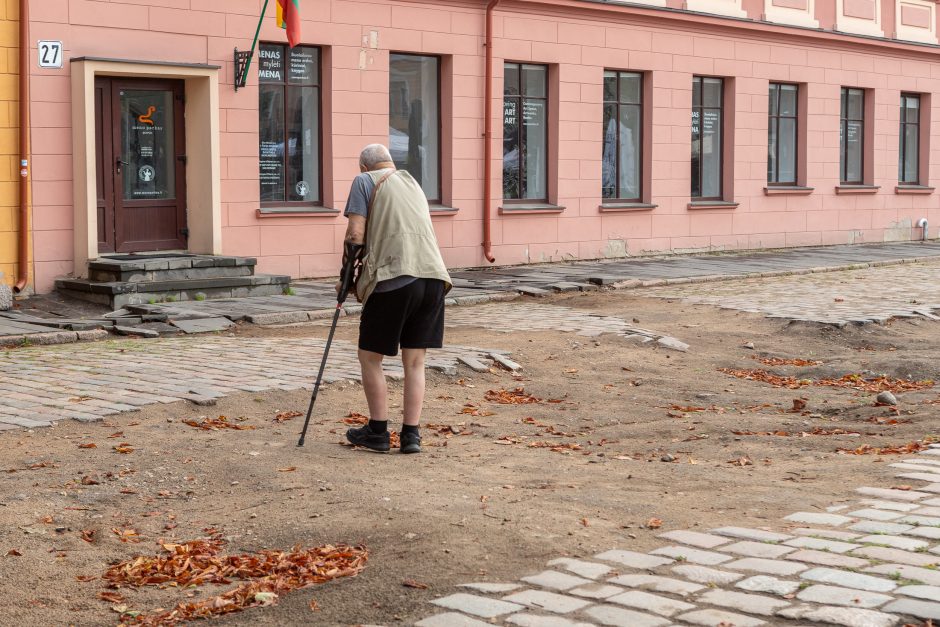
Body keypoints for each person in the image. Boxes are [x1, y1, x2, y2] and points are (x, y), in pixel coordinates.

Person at [340, 144, 452, 454]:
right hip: (433, 278)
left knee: (370, 357)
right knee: (415, 361)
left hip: (394, 278)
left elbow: (355, 235)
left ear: (365, 166)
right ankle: (411, 435)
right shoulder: (411, 182)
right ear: (390, 162)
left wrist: (346, 278)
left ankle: (377, 431)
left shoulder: (364, 181)